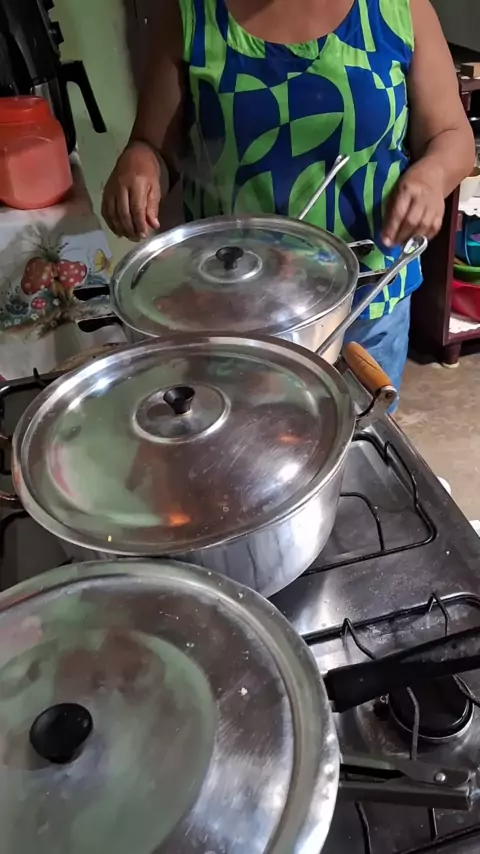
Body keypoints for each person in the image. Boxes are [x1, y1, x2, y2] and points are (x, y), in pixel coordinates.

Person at [102, 0, 475, 398]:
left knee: (360, 428)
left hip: (366, 300)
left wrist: (431, 176)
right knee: (242, 431)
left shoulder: (398, 9)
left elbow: (451, 135)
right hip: (231, 310)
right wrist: (139, 164)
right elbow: (153, 147)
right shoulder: (191, 14)